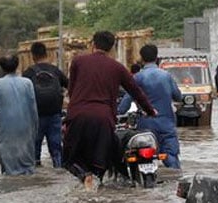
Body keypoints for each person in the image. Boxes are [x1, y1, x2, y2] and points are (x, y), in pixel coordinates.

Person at [64, 31, 157, 190]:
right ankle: (97, 182)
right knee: (103, 159)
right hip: (104, 118)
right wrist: (150, 111)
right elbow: (136, 92)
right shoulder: (118, 67)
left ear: (93, 44)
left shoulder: (78, 62)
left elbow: (71, 91)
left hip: (78, 115)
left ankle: (83, 175)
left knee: (68, 157)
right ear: (112, 48)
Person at [119, 43, 182, 169]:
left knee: (141, 158)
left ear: (141, 59)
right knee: (171, 157)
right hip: (167, 124)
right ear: (157, 57)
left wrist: (118, 112)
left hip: (146, 125)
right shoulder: (166, 76)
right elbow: (178, 96)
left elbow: (125, 104)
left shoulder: (137, 77)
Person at [0, 55, 38, 175]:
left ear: (2, 68)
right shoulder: (27, 83)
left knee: (8, 168)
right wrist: (34, 129)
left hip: (6, 131)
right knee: (28, 165)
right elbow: (34, 109)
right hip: (26, 129)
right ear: (17, 66)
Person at [23, 41, 68, 168]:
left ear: (33, 56)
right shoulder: (55, 71)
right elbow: (70, 85)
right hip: (55, 114)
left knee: (35, 149)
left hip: (35, 116)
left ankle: (36, 177)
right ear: (46, 54)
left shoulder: (28, 73)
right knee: (56, 148)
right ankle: (58, 169)